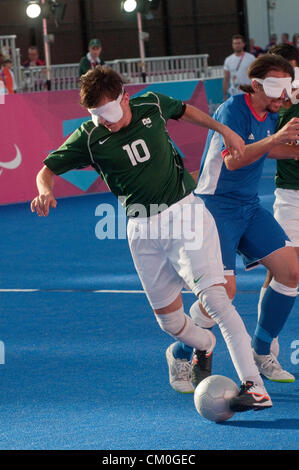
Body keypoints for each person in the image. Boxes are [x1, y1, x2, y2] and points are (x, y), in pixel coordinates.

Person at [31, 65, 272, 412]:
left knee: (218, 301)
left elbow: (185, 111)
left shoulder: (151, 105)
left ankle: (254, 387)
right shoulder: (89, 136)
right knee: (170, 322)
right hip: (141, 230)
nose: (107, 122)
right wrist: (44, 191)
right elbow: (47, 169)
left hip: (185, 214)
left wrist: (225, 131)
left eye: (111, 113)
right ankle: (203, 344)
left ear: (124, 97)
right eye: (98, 116)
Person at [187, 54, 299, 387]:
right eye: (277, 88)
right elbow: (235, 160)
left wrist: (292, 149)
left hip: (248, 207)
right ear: (256, 85)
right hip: (215, 208)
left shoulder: (268, 113)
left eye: (287, 88)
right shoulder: (233, 110)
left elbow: (262, 149)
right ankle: (182, 352)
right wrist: (277, 139)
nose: (283, 96)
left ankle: (261, 351)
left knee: (291, 271)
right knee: (224, 293)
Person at [257, 43, 299, 360]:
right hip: (290, 197)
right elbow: (252, 149)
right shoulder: (269, 109)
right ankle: (265, 343)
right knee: (283, 271)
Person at [223, 34, 255, 101]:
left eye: (239, 43)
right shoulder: (228, 60)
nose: (237, 45)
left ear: (243, 44)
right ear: (232, 45)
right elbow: (226, 78)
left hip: (248, 92)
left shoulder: (251, 58)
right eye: (235, 43)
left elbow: (256, 76)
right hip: (234, 92)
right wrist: (225, 95)